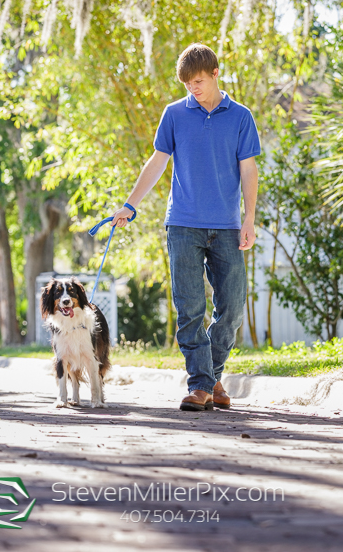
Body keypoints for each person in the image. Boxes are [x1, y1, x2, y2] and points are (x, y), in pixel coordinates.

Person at [111, 43, 260, 411]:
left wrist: (249, 218)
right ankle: (201, 386)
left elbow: (249, 169)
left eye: (197, 81)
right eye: (186, 84)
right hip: (183, 224)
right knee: (190, 308)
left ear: (215, 74)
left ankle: (211, 378)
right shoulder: (174, 114)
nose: (192, 89)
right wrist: (131, 205)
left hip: (226, 226)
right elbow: (158, 160)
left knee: (232, 307)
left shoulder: (240, 116)